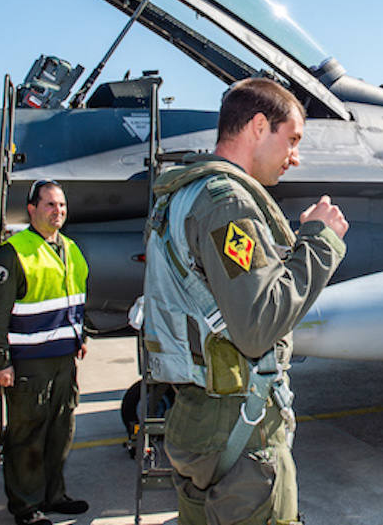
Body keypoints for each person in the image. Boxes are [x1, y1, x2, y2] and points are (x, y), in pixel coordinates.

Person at [142, 77, 348, 525]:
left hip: (196, 419)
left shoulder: (185, 194)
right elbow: (257, 326)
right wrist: (320, 240)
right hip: (238, 425)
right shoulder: (228, 204)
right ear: (258, 126)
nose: (295, 156)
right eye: (291, 139)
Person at [0, 179, 90, 525]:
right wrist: (0, 360)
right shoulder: (13, 253)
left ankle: (54, 495)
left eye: (62, 205)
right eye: (50, 205)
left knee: (60, 430)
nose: (58, 211)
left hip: (64, 360)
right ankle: (26, 507)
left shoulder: (70, 248)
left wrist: (81, 335)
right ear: (32, 209)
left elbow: (74, 298)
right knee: (27, 435)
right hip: (29, 363)